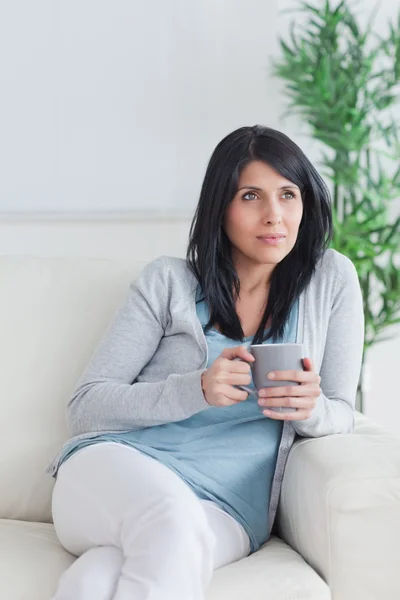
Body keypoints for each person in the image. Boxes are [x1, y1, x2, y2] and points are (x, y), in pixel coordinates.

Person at [47, 125, 364, 600]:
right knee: (171, 521)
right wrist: (194, 389)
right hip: (114, 472)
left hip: (226, 509)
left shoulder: (331, 280)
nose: (274, 215)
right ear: (221, 207)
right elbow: (85, 408)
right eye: (252, 196)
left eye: (288, 194)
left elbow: (341, 409)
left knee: (97, 580)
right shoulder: (167, 282)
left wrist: (311, 408)